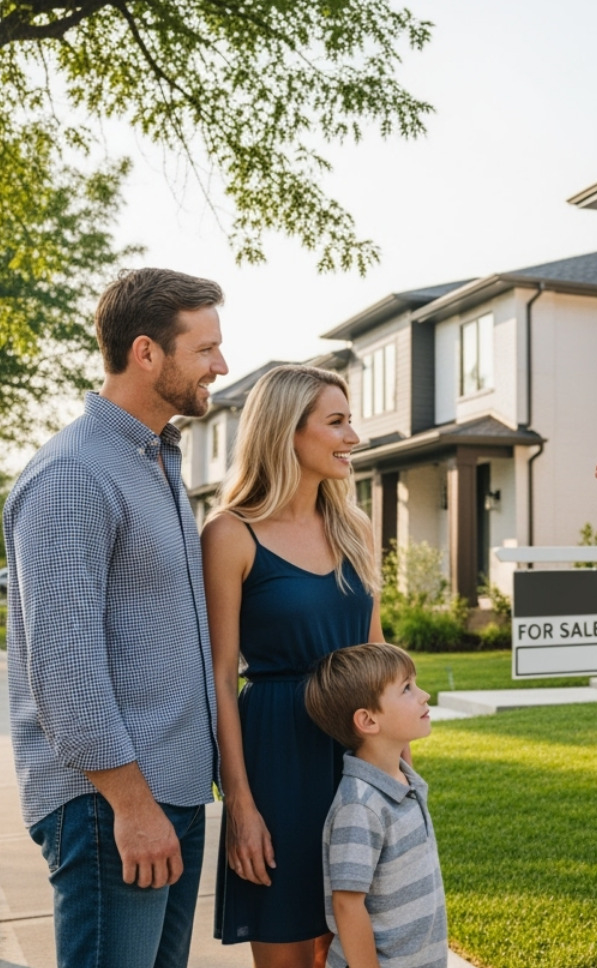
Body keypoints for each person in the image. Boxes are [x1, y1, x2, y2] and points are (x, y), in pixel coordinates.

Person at [4, 268, 228, 968]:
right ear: (146, 353)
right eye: (206, 349)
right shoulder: (75, 474)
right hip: (112, 806)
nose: (221, 365)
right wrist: (131, 806)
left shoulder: (154, 462)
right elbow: (65, 666)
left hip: (172, 793)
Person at [203, 364, 383, 966]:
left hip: (355, 755)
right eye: (336, 422)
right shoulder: (231, 533)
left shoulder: (353, 526)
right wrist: (241, 806)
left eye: (350, 420)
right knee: (286, 951)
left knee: (350, 945)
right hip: (277, 758)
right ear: (286, 432)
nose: (352, 437)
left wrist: (398, 768)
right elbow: (221, 680)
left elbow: (379, 659)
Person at [305, 642, 446, 968]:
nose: (423, 694)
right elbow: (347, 905)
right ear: (368, 721)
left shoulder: (404, 782)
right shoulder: (361, 806)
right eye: (407, 689)